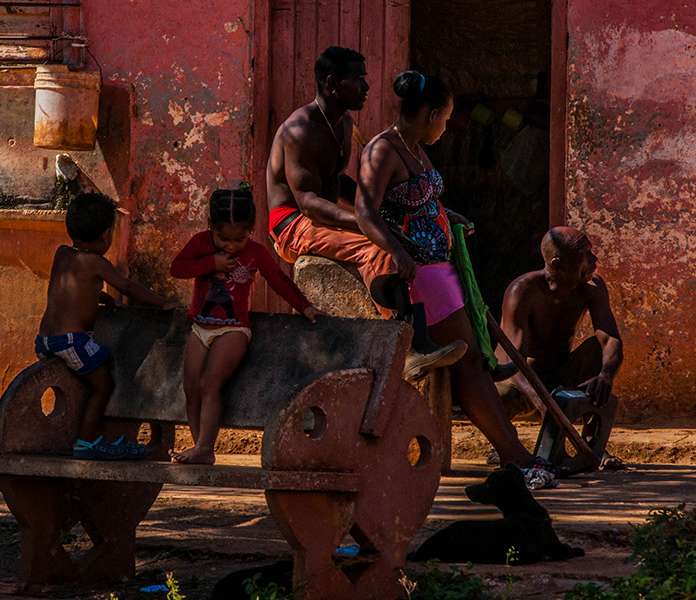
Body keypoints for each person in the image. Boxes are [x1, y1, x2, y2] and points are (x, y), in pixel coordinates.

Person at [354, 69, 550, 474]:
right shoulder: (382, 150)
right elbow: (365, 211)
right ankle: (516, 457)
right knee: (469, 368)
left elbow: (416, 200)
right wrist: (397, 251)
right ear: (430, 115)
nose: (446, 127)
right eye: (445, 118)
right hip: (418, 275)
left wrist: (445, 215)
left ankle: (515, 453)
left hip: (440, 269)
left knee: (476, 361)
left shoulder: (414, 147)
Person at [266, 45, 464, 380]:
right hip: (292, 222)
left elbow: (338, 180)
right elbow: (308, 201)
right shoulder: (300, 131)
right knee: (378, 247)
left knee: (385, 232)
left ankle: (423, 338)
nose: (367, 87)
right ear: (332, 83)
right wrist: (366, 221)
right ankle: (407, 348)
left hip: (319, 216)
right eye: (358, 80)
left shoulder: (342, 123)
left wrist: (377, 212)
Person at [170, 187, 325, 465]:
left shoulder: (256, 253)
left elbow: (279, 280)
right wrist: (210, 263)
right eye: (222, 239)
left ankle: (206, 447)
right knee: (191, 387)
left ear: (251, 230)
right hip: (200, 327)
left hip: (234, 329)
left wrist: (304, 305)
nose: (231, 246)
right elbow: (177, 268)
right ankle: (198, 446)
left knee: (209, 383)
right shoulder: (200, 244)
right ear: (210, 227)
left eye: (239, 239)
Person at [36, 192, 181, 460]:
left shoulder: (62, 254)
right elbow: (127, 286)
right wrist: (162, 302)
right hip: (72, 342)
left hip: (45, 340)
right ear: (105, 234)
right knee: (104, 385)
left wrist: (103, 299)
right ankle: (86, 442)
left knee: (87, 380)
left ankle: (85, 433)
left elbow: (70, 292)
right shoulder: (96, 263)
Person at [493, 226, 625, 469]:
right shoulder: (522, 291)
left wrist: (605, 375)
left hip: (557, 377)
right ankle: (505, 443)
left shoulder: (592, 288)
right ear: (557, 264)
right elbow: (515, 365)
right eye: (585, 255)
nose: (594, 260)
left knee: (598, 349)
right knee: (495, 397)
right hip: (517, 384)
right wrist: (546, 408)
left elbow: (611, 339)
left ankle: (590, 442)